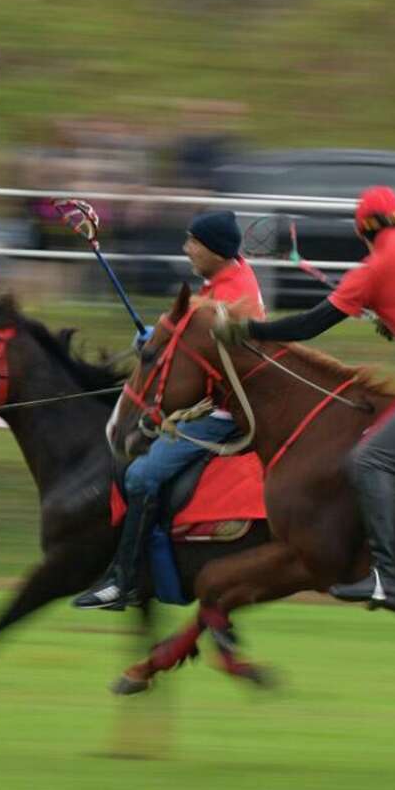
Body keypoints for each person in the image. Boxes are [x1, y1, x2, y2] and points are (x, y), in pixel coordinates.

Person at [213, 186, 395, 611]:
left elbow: (309, 326)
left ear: (364, 232)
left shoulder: (375, 267)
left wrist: (250, 331)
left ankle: (386, 579)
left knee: (370, 459)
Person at [74, 210, 263, 610]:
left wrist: (160, 342)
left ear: (215, 249)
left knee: (141, 476)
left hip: (220, 415)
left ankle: (124, 581)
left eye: (194, 242)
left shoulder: (228, 297)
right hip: (211, 403)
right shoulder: (228, 279)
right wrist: (159, 339)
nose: (187, 249)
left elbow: (198, 353)